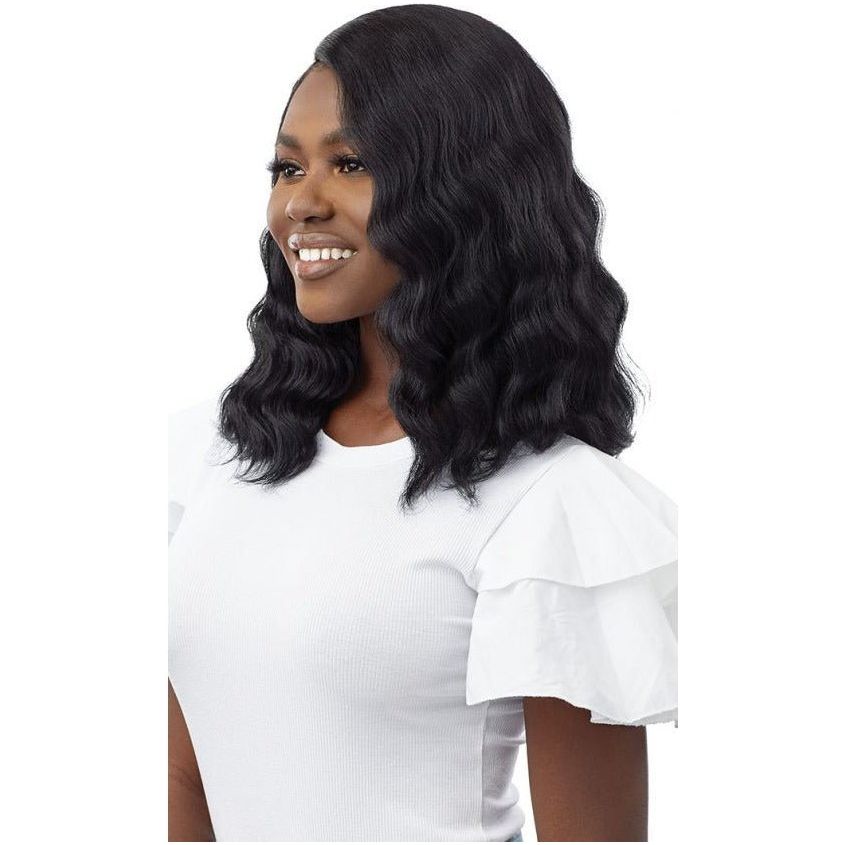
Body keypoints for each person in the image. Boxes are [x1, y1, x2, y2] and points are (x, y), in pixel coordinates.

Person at [168, 5, 677, 841]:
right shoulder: (211, 455)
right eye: (287, 167)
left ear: (467, 187)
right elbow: (184, 774)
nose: (301, 203)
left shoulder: (551, 501)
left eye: (351, 163)